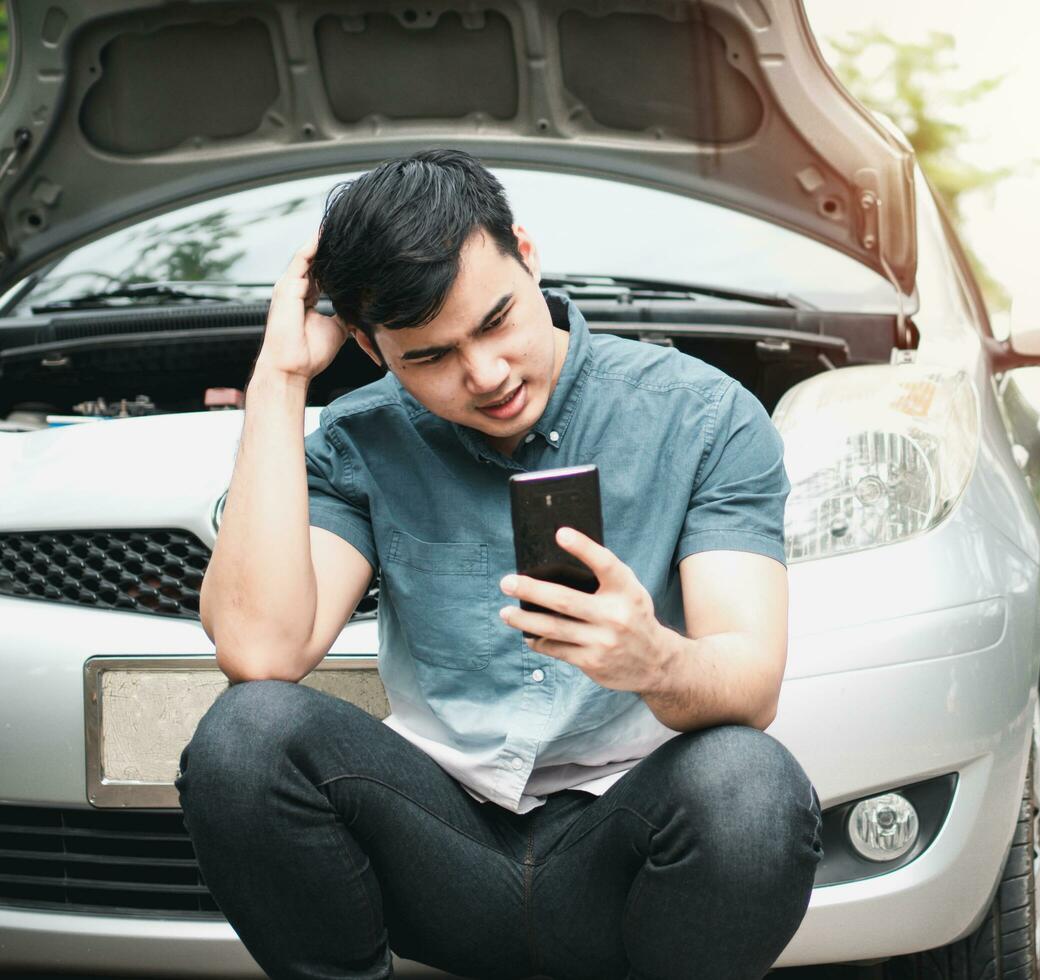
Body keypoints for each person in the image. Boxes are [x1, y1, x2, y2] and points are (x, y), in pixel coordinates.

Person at [176, 148, 822, 980]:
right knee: (244, 736)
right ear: (372, 351)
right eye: (428, 357)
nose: (484, 376)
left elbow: (750, 682)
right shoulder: (361, 438)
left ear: (526, 251)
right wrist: (283, 376)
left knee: (748, 784)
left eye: (494, 321)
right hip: (441, 843)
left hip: (626, 842)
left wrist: (653, 659)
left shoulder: (702, 417)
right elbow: (261, 653)